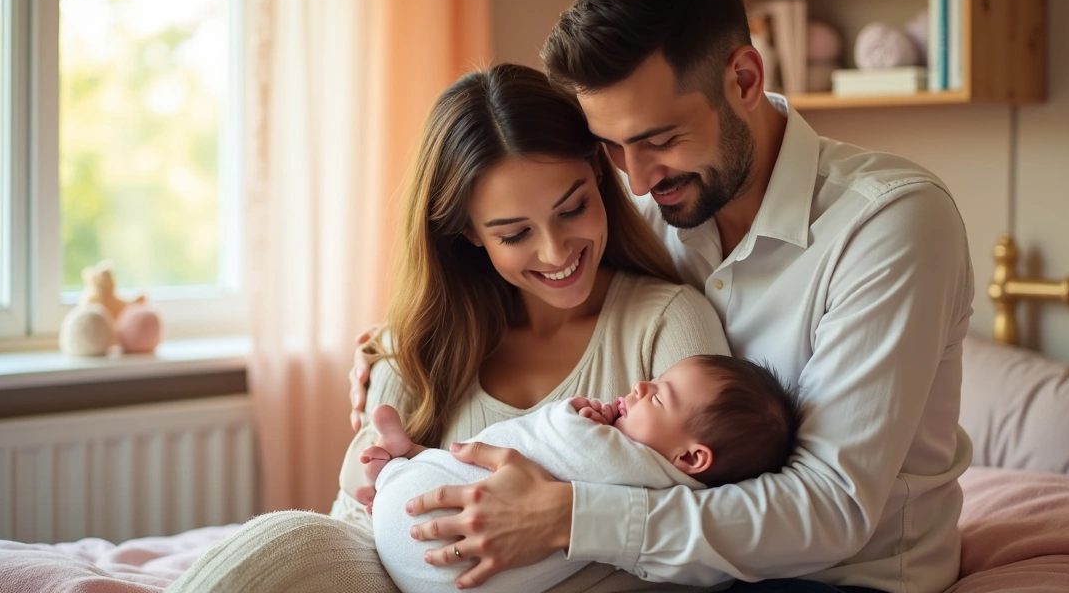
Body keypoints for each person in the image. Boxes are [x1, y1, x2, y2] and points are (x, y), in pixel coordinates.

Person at [349, 0, 976, 592]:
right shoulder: (653, 209)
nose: (637, 178)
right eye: (612, 148)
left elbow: (829, 507)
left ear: (744, 78)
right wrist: (397, 348)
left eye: (658, 138)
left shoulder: (889, 224)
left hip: (842, 578)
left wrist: (564, 517)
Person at [170, 62, 740, 593]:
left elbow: (724, 533)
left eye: (572, 209)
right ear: (467, 232)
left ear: (598, 174)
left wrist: (559, 516)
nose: (556, 250)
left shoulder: (667, 324)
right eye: (514, 233)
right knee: (286, 542)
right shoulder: (418, 346)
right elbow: (358, 536)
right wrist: (367, 478)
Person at [358, 355, 801, 593]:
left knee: (470, 459)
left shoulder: (629, 464)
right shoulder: (673, 497)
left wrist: (577, 416)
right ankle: (404, 462)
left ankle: (401, 466)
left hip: (422, 536)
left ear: (690, 459)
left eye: (659, 397)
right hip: (443, 569)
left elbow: (557, 438)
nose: (641, 386)